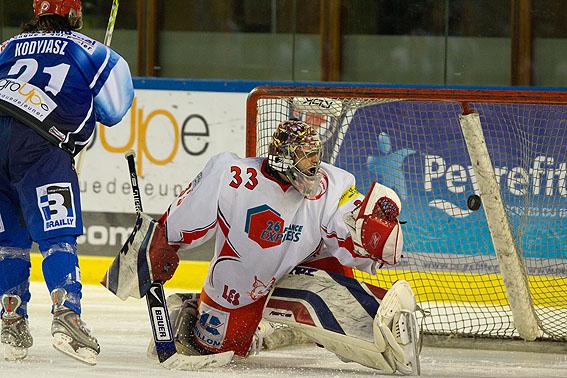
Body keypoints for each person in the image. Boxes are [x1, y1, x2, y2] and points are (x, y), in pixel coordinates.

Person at [109, 119, 419, 374]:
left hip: (306, 261)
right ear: (283, 156)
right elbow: (185, 218)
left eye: (316, 153)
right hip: (241, 283)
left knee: (333, 305)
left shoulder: (330, 184)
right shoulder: (232, 177)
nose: (314, 162)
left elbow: (346, 215)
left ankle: (363, 325)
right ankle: (193, 310)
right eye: (305, 154)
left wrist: (369, 229)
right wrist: (162, 246)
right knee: (230, 349)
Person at [0, 0, 133, 365]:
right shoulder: (94, 52)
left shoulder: (8, 47)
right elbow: (115, 110)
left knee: (9, 239)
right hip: (41, 145)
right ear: (75, 16)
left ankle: (11, 320)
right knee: (56, 235)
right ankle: (67, 316)